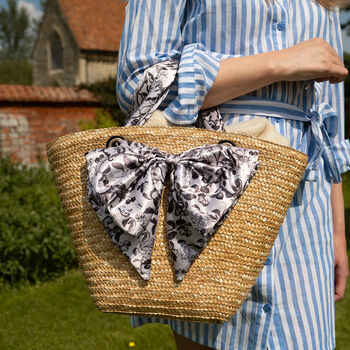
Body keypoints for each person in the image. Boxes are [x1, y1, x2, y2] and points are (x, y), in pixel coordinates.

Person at [116, 1, 350, 349]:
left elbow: (327, 118)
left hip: (305, 210)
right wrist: (279, 63)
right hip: (210, 197)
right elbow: (139, 85)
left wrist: (337, 231)